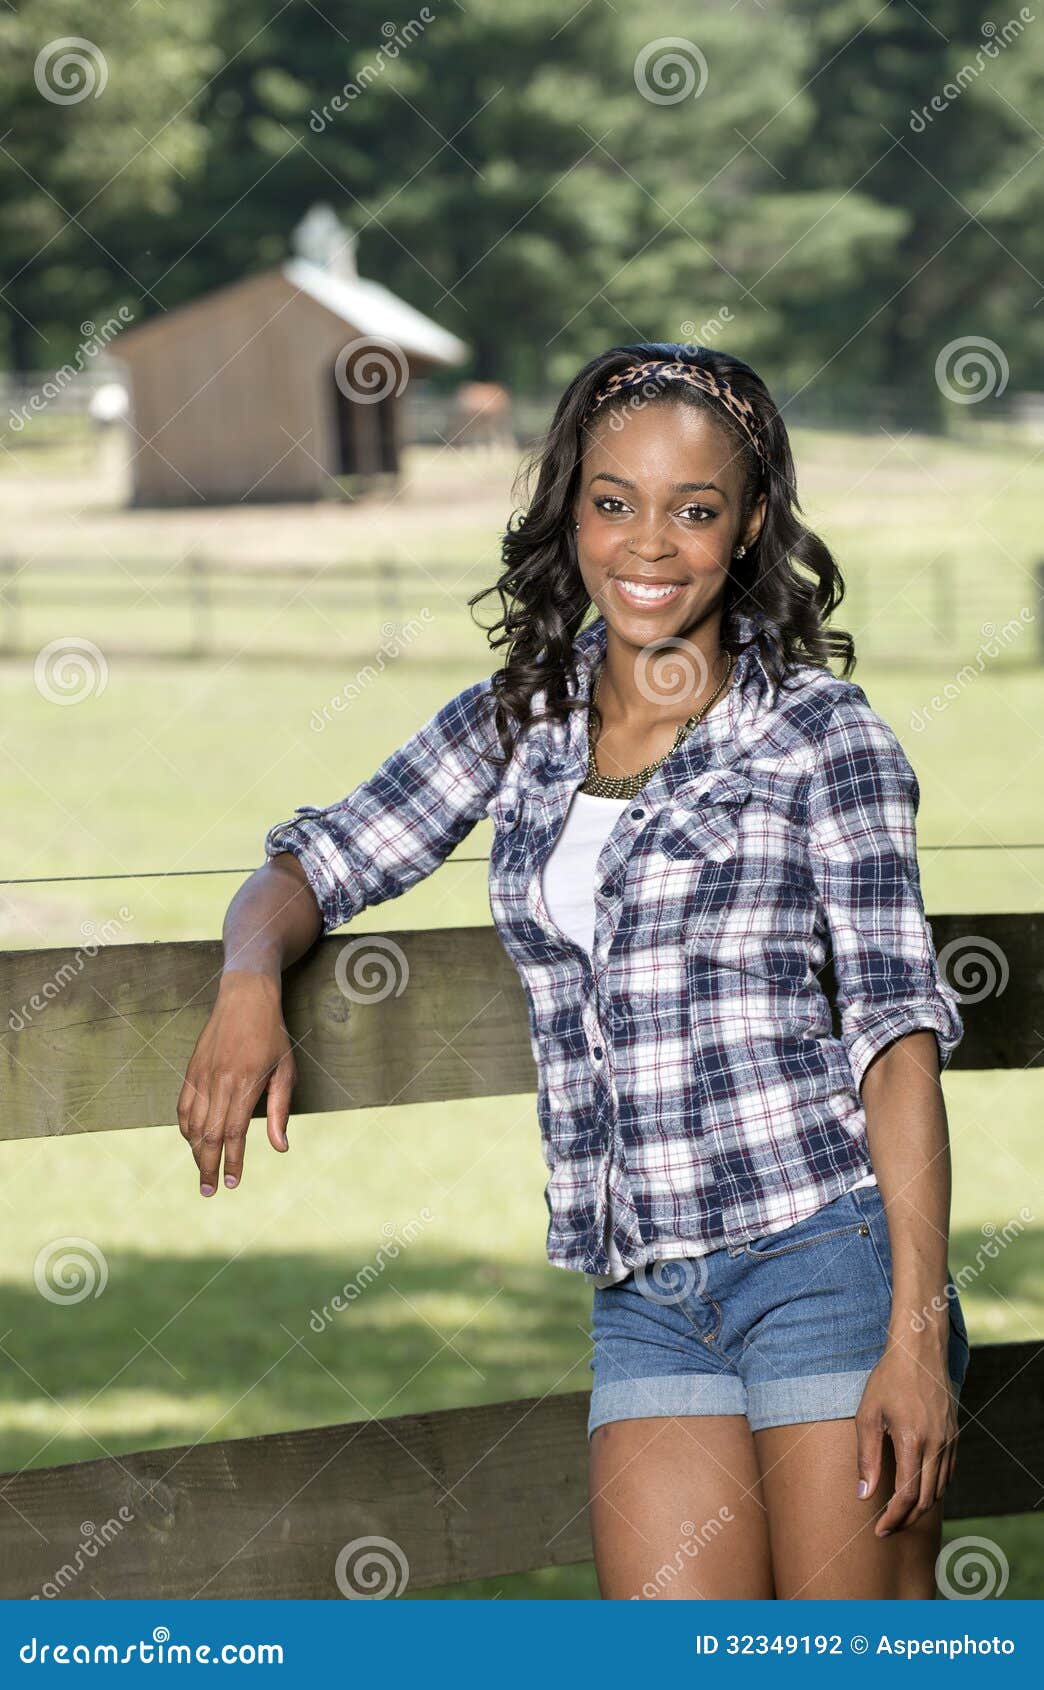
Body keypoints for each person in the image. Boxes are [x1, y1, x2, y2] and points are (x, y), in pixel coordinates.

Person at [178, 342, 970, 1600]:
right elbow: (314, 863)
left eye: (693, 510)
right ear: (572, 509)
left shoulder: (825, 737)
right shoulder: (518, 723)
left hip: (826, 1258)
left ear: (750, 523)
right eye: (614, 502)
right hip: (644, 1290)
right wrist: (244, 981)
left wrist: (915, 1340)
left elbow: (898, 1042)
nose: (649, 545)